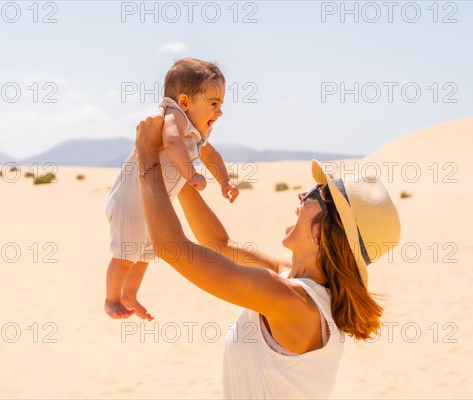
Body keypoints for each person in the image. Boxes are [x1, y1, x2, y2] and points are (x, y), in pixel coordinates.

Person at [134, 112, 402, 399]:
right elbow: (218, 244)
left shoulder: (289, 299)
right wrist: (176, 169)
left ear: (323, 231)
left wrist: (147, 154)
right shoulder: (295, 280)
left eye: (315, 194)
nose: (301, 195)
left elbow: (171, 246)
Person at [103, 58, 239, 320]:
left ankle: (129, 295)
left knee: (144, 254)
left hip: (149, 206)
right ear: (185, 102)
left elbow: (211, 155)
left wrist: (225, 181)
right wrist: (191, 173)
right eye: (213, 104)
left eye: (221, 105)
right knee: (125, 256)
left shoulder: (194, 133)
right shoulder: (173, 117)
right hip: (129, 202)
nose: (219, 111)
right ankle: (111, 298)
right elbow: (173, 142)